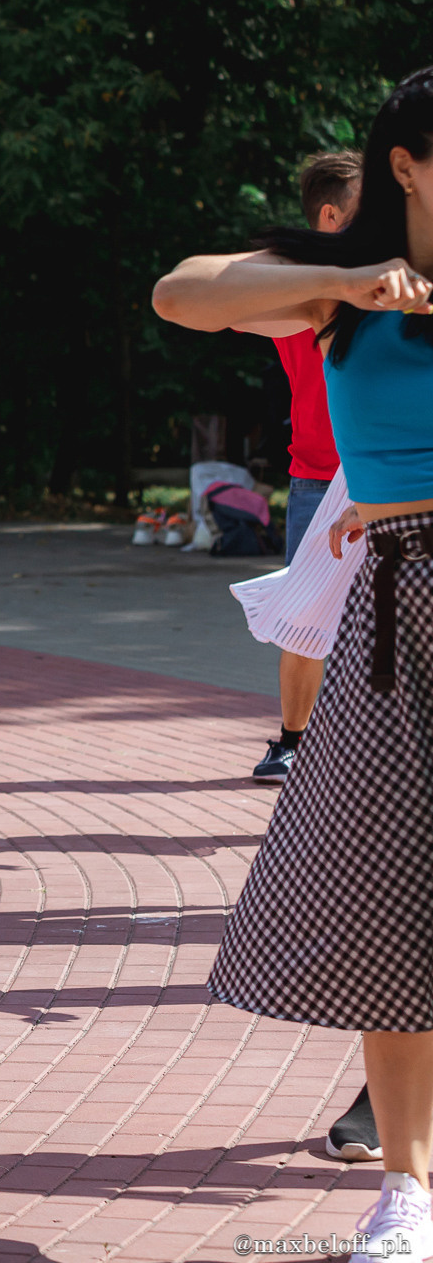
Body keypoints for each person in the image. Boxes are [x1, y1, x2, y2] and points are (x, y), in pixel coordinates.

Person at [155, 65, 433, 1263]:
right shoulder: (349, 295)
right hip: (403, 601)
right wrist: (341, 281)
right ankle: (408, 1189)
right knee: (392, 904)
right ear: (409, 166)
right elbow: (183, 291)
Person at [248, 151, 363, 785]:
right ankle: (293, 740)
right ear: (329, 216)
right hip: (318, 480)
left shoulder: (387, 289)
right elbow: (209, 304)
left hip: (387, 482)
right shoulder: (305, 298)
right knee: (303, 616)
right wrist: (292, 259)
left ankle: (358, 755)